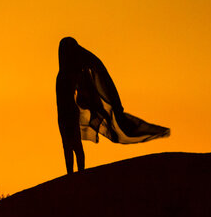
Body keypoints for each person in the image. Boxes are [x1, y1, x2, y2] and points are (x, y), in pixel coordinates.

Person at [56, 37, 170, 174]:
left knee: (73, 145)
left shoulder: (71, 74)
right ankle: (72, 175)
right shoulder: (65, 74)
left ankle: (78, 175)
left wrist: (96, 106)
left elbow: (84, 94)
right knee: (69, 145)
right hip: (64, 114)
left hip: (69, 114)